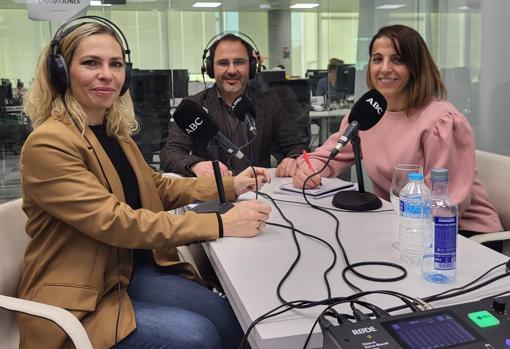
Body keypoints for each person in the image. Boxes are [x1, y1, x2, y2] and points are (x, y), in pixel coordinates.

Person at [19, 17, 272, 349]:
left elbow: (156, 187)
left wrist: (229, 186)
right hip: (84, 297)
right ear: (61, 72)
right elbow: (116, 222)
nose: (106, 74)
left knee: (230, 318)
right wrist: (220, 223)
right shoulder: (48, 144)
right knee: (198, 336)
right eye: (91, 63)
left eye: (116, 64)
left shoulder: (112, 131)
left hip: (127, 270)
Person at [293, 24, 503, 248]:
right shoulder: (367, 114)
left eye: (397, 60)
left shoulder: (441, 121)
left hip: (461, 235)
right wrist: (306, 170)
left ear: (416, 67)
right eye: (377, 59)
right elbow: (328, 157)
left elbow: (446, 203)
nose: (384, 68)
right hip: (402, 226)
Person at [160, 33, 310, 178]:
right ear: (210, 68)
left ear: (251, 66)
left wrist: (293, 158)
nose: (231, 70)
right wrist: (197, 165)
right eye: (223, 63)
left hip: (259, 190)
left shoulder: (268, 103)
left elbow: (296, 146)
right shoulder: (194, 106)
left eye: (239, 62)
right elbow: (170, 153)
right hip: (216, 193)